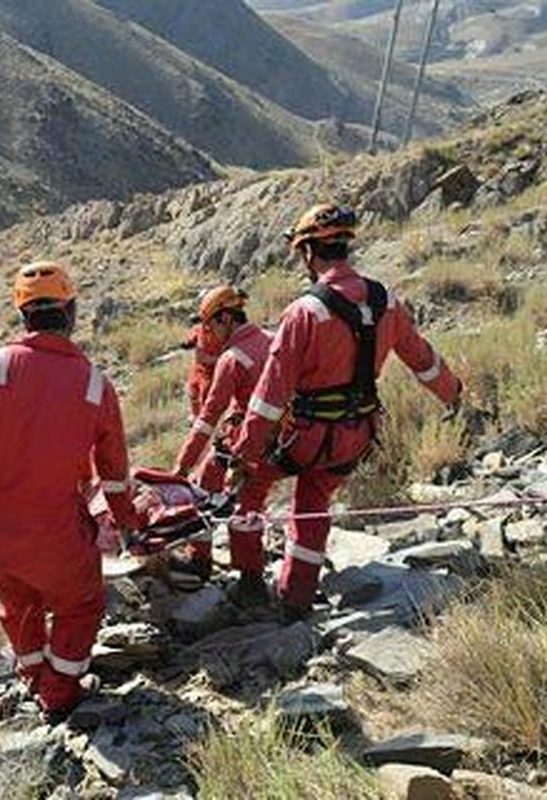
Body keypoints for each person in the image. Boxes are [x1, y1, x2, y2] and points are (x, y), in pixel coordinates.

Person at [0, 261, 141, 721]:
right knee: (82, 605)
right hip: (59, 535)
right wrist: (127, 522)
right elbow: (114, 473)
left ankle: (33, 676)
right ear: (70, 312)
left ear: (23, 315)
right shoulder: (95, 384)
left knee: (21, 607)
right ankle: (58, 693)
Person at [231, 203, 463, 621]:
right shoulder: (385, 301)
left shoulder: (305, 312)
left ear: (307, 252)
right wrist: (453, 395)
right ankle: (296, 598)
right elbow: (421, 358)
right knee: (313, 500)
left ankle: (250, 584)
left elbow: (270, 394)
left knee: (251, 492)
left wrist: (245, 452)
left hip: (305, 436)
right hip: (357, 434)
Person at [171, 286, 272, 579]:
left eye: (211, 325)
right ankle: (253, 577)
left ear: (226, 318)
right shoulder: (272, 339)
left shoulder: (233, 358)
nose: (210, 333)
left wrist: (182, 465)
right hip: (285, 440)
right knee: (250, 505)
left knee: (203, 486)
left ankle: (202, 561)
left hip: (248, 443)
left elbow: (209, 417)